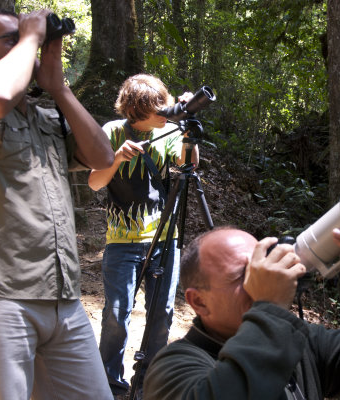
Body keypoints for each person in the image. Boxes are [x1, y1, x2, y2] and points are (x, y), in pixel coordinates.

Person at [0, 8, 115, 400]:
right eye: (12, 38)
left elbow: (104, 157)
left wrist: (60, 89)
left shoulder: (46, 116)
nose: (26, 45)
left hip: (61, 295)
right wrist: (32, 36)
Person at [143, 214, 340, 399]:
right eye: (243, 274)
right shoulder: (171, 369)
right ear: (198, 301)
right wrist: (270, 307)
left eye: (263, 265)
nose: (264, 277)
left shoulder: (303, 342)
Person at [88, 74, 199, 398]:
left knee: (162, 315)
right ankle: (109, 382)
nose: (165, 111)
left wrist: (189, 129)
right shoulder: (111, 132)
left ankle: (148, 382)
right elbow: (95, 183)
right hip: (122, 242)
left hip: (164, 239)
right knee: (116, 315)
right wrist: (117, 158)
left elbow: (188, 165)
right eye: (158, 107)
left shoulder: (168, 130)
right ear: (138, 110)